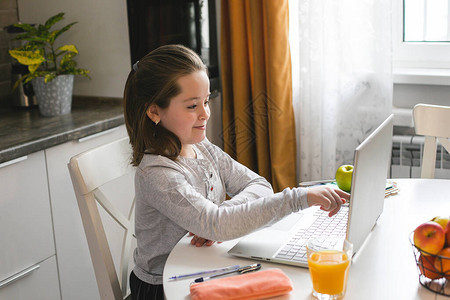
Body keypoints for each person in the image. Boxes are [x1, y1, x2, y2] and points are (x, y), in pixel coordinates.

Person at [123, 44, 350, 300]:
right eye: (191, 106)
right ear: (154, 111)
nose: (205, 114)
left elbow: (259, 184)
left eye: (206, 101)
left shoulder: (202, 147)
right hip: (165, 286)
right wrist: (300, 198)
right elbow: (218, 224)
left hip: (205, 267)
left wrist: (218, 221)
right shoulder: (158, 172)